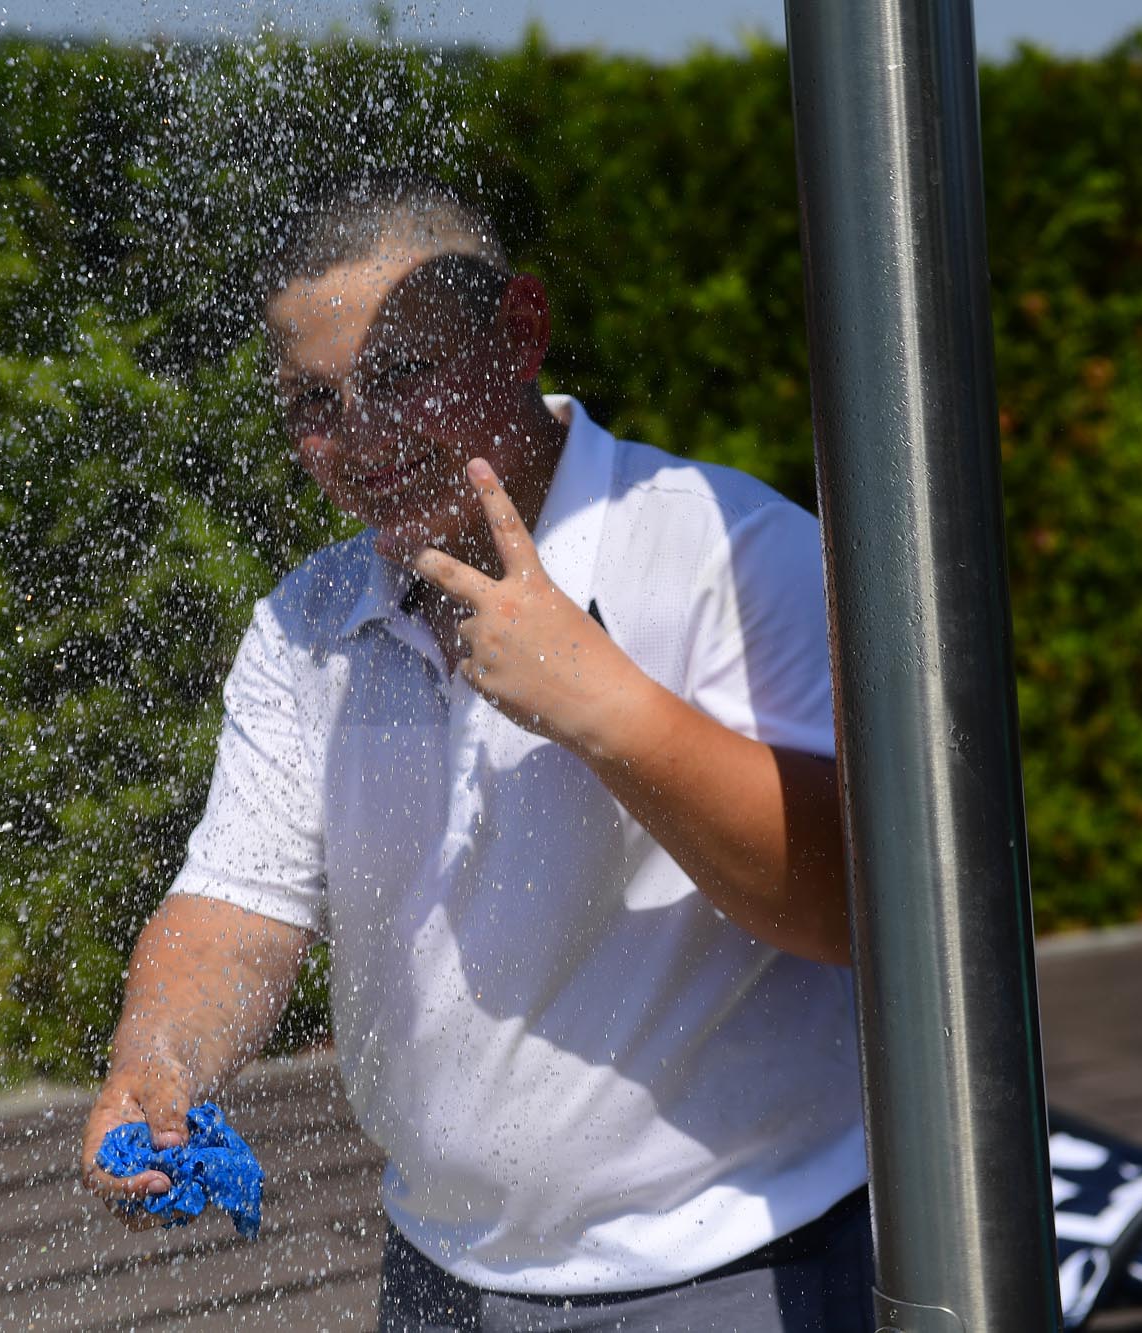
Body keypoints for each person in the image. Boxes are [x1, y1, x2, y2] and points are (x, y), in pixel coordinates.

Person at [80, 174, 873, 1332]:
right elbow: (235, 904)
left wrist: (604, 706)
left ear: (520, 331)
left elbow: (855, 906)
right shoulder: (308, 621)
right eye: (314, 400)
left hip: (742, 1259)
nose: (361, 439)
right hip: (440, 1272)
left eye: (401, 376)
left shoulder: (726, 550)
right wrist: (157, 1064)